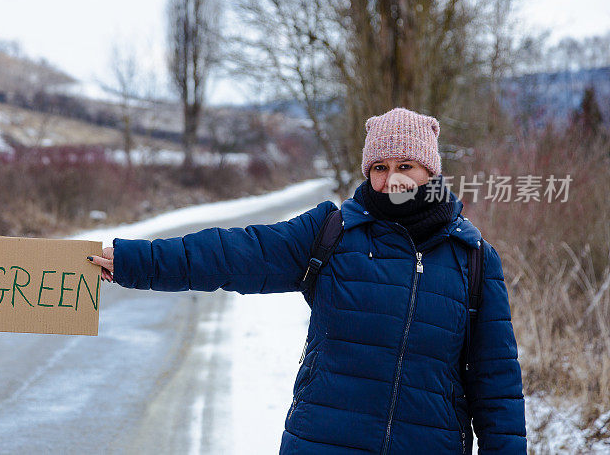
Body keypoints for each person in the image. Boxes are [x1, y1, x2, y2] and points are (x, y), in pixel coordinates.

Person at [87, 107, 527, 454]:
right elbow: (231, 254)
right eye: (379, 166)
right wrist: (132, 261)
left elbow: (497, 388)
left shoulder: (473, 260)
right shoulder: (331, 235)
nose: (391, 179)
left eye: (406, 165)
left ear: (431, 172)